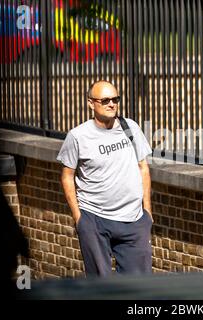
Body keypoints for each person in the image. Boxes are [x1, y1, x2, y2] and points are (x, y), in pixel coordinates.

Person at [57, 80, 153, 277]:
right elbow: (67, 176)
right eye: (105, 100)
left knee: (140, 284)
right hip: (95, 219)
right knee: (101, 286)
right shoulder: (78, 136)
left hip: (134, 219)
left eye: (115, 99)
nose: (112, 104)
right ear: (91, 103)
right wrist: (79, 218)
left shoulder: (130, 128)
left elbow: (143, 168)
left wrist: (147, 213)